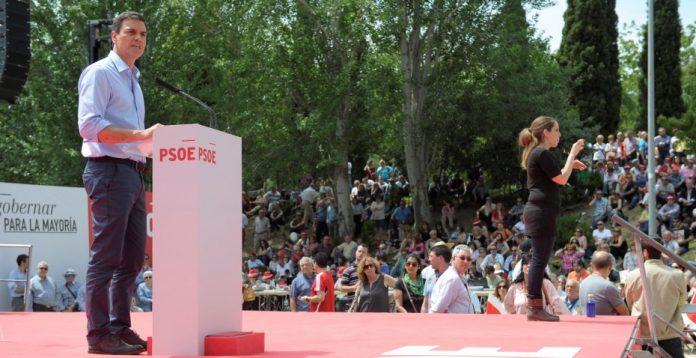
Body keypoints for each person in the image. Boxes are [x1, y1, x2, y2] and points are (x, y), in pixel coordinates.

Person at [78, 11, 161, 355]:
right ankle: (98, 335)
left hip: (133, 173)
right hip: (109, 171)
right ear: (114, 37)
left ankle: (119, 327)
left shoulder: (134, 79)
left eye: (143, 34)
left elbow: (133, 138)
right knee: (106, 257)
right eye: (130, 33)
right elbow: (89, 126)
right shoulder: (100, 74)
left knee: (131, 260)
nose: (138, 39)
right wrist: (141, 134)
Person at [517, 116, 586, 321]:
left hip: (540, 212)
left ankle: (535, 306)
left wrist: (569, 164)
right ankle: (534, 306)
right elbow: (562, 180)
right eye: (556, 130)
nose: (559, 134)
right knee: (539, 260)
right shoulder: (541, 153)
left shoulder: (538, 153)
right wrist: (572, 154)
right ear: (546, 132)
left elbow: (558, 176)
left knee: (539, 259)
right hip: (541, 213)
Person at [625, 242, 686, 358]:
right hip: (670, 333)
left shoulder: (632, 275)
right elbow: (681, 302)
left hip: (643, 336)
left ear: (645, 253)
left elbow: (630, 303)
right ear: (662, 251)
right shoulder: (677, 274)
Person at [504, 255, 568, 317]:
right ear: (522, 268)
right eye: (526, 263)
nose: (529, 265)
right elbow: (508, 305)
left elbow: (557, 305)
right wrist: (516, 318)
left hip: (542, 325)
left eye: (532, 264)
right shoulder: (515, 286)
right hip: (522, 326)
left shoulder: (545, 283)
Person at [578, 251, 629, 316]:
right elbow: (625, 313)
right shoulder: (608, 286)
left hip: (587, 325)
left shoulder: (582, 283)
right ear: (610, 267)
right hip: (606, 325)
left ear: (592, 265)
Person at [428, 245, 475, 314]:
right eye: (462, 258)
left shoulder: (458, 276)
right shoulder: (452, 278)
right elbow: (438, 309)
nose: (465, 261)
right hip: (452, 323)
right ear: (453, 259)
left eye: (468, 259)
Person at [336, 244, 367, 311]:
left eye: (364, 252)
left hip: (366, 307)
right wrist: (354, 288)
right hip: (352, 306)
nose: (361, 253)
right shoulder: (348, 269)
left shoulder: (370, 269)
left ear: (367, 254)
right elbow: (342, 288)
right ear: (356, 252)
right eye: (359, 251)